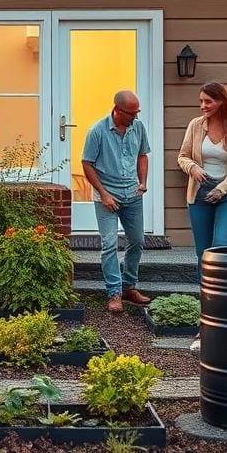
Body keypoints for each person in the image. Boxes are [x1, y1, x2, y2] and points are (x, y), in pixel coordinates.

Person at [177, 81, 227, 351]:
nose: (203, 106)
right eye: (201, 102)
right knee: (203, 256)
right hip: (199, 194)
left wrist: (221, 189)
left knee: (219, 251)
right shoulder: (196, 125)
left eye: (208, 101)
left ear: (221, 101)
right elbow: (182, 156)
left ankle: (224, 319)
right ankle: (204, 328)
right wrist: (193, 168)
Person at [82, 89, 152, 313]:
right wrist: (103, 194)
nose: (135, 117)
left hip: (132, 194)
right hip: (107, 197)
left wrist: (142, 182)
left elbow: (142, 155)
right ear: (117, 110)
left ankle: (129, 287)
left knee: (137, 241)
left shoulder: (138, 128)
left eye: (137, 112)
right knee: (109, 244)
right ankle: (114, 293)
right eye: (132, 113)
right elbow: (87, 163)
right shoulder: (97, 131)